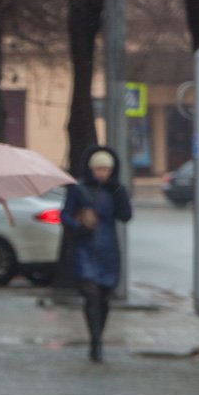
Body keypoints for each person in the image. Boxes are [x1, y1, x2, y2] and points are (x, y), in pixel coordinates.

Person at [61, 146, 132, 363]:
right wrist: (79, 225)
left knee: (103, 297)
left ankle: (98, 334)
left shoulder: (115, 189)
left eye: (106, 169)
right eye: (99, 169)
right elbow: (65, 215)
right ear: (91, 169)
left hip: (108, 249)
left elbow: (125, 216)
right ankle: (96, 342)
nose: (102, 173)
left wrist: (120, 193)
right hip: (85, 247)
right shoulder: (79, 189)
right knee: (90, 293)